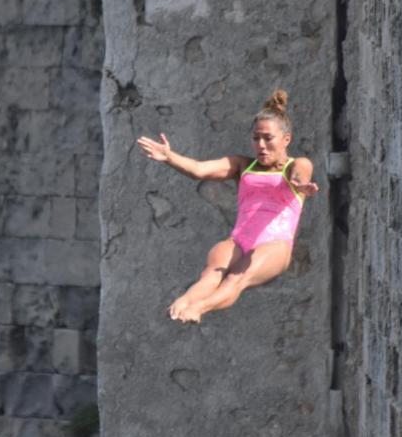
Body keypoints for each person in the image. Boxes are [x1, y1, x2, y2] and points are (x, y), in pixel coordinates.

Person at [136, 89, 319, 323]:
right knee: (210, 276)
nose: (261, 145)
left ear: (286, 139)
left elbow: (301, 173)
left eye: (268, 138)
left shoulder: (297, 164)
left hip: (275, 245)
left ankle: (199, 309)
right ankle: (182, 304)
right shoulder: (242, 165)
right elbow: (199, 170)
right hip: (239, 241)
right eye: (256, 138)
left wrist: (301, 185)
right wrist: (170, 157)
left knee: (236, 279)